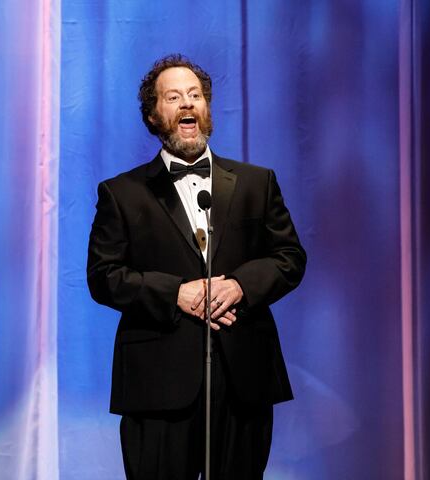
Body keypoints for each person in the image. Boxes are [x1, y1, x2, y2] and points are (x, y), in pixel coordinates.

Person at [87, 53, 306, 479]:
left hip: (243, 376)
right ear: (154, 115)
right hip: (159, 381)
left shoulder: (256, 183)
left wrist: (242, 285)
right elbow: (104, 276)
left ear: (206, 109)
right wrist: (176, 293)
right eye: (173, 97)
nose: (188, 104)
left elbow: (290, 257)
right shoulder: (122, 193)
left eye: (196, 95)